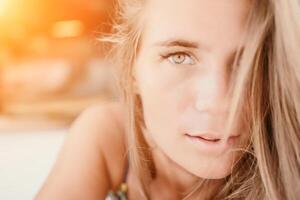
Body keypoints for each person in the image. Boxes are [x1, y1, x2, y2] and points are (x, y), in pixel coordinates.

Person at [35, 0, 300, 199]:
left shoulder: (286, 166)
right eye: (179, 56)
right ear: (130, 70)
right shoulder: (110, 134)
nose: (220, 102)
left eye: (247, 62)